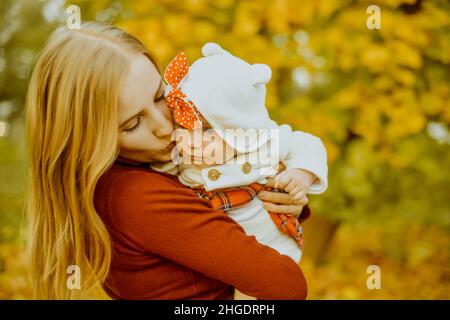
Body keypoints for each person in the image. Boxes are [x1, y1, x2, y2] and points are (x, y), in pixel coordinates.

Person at [26, 22, 311, 299]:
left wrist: (279, 194)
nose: (163, 125)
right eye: (133, 123)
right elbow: (285, 283)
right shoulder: (134, 196)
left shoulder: (148, 169)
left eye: (160, 95)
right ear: (87, 138)